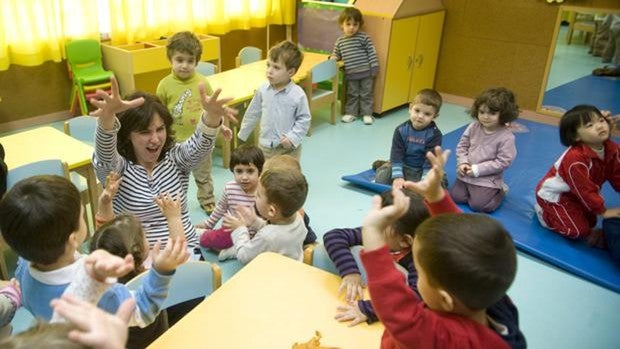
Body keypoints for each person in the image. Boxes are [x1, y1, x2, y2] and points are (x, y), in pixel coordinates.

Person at [360, 146, 525, 348]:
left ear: (445, 300)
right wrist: (436, 196)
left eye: (420, 275)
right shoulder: (491, 298)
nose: (415, 278)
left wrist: (373, 234)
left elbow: (402, 316)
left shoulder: (453, 340)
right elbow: (464, 240)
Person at [0, 175, 188, 326]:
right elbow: (142, 310)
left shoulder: (24, 265)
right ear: (73, 238)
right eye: (82, 215)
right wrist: (161, 272)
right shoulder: (100, 290)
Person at [91, 75, 236, 250]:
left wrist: (212, 116)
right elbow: (105, 157)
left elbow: (199, 146)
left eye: (160, 129)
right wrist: (107, 120)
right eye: (145, 132)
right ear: (128, 134)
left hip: (184, 247)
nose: (155, 139)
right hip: (141, 256)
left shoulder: (174, 158)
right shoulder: (120, 168)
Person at [323, 189, 429, 326]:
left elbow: (415, 299)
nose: (371, 227)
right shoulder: (377, 232)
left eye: (380, 224)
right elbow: (333, 236)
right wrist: (350, 272)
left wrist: (368, 309)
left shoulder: (419, 260)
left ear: (405, 241)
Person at [156, 31, 233, 214]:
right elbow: (158, 114)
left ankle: (207, 199)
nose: (184, 65)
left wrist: (220, 126)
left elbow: (211, 111)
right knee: (171, 175)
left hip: (200, 141)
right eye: (179, 60)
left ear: (196, 62)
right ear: (170, 59)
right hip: (174, 142)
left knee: (203, 174)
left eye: (190, 61)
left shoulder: (203, 83)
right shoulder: (164, 85)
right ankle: (173, 205)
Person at [535, 105, 620, 256]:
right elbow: (585, 190)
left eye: (601, 120)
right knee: (577, 232)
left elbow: (616, 174)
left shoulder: (612, 149)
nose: (600, 126)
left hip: (577, 196)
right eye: (590, 125)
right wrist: (604, 211)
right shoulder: (575, 159)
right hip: (556, 197)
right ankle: (544, 213)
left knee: (591, 222)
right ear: (576, 137)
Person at [237, 40, 310, 160]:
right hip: (264, 147)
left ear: (290, 72)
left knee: (287, 177)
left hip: (289, 149)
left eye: (276, 67)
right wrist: (242, 136)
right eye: (268, 65)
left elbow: (304, 119)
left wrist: (292, 138)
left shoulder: (298, 94)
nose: (269, 71)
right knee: (266, 177)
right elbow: (253, 113)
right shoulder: (263, 89)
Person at [218, 167, 308, 264]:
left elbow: (244, 257)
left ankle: (239, 247)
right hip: (294, 265)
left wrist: (239, 229)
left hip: (273, 274)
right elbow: (276, 232)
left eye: (258, 195)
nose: (255, 197)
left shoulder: (266, 237)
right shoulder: (298, 217)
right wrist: (255, 222)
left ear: (271, 210)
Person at [450, 87, 519, 212]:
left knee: (479, 206)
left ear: (503, 114)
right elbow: (462, 146)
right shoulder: (473, 127)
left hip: (486, 179)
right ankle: (472, 187)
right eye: (482, 112)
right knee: (456, 197)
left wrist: (478, 170)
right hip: (466, 174)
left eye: (492, 113)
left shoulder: (506, 137)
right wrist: (463, 163)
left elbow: (503, 161)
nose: (485, 117)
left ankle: (500, 191)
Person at [198, 145, 265, 252]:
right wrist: (208, 224)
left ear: (260, 171)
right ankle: (230, 249)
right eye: (239, 171)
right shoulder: (230, 188)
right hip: (232, 231)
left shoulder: (263, 191)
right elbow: (221, 208)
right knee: (207, 239)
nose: (244, 177)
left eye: (250, 171)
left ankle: (231, 251)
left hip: (257, 235)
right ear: (233, 171)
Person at [374, 89, 446, 188]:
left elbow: (429, 160)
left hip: (421, 169)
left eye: (427, 114)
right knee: (380, 179)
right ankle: (388, 164)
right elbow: (397, 153)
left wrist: (425, 181)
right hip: (404, 166)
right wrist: (398, 177)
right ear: (410, 108)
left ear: (435, 116)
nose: (420, 116)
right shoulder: (401, 130)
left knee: (438, 186)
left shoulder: (434, 135)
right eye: (417, 111)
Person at [330, 7, 379, 125]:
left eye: (355, 24)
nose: (352, 27)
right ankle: (351, 113)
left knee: (366, 94)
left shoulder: (364, 38)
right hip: (351, 74)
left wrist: (374, 67)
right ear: (342, 25)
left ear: (359, 25)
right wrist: (333, 58)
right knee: (352, 94)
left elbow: (371, 53)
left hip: (366, 73)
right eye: (348, 24)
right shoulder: (340, 41)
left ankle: (367, 114)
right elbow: (336, 53)